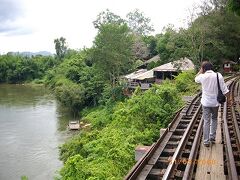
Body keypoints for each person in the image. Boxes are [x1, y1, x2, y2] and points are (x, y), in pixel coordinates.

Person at [195, 61, 230, 147]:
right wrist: (230, 99)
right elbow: (225, 90)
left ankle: (206, 141)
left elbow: (195, 79)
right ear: (211, 68)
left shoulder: (202, 76)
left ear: (203, 69)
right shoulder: (218, 75)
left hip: (206, 103)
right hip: (215, 103)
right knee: (214, 119)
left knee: (206, 121)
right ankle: (212, 137)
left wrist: (200, 71)